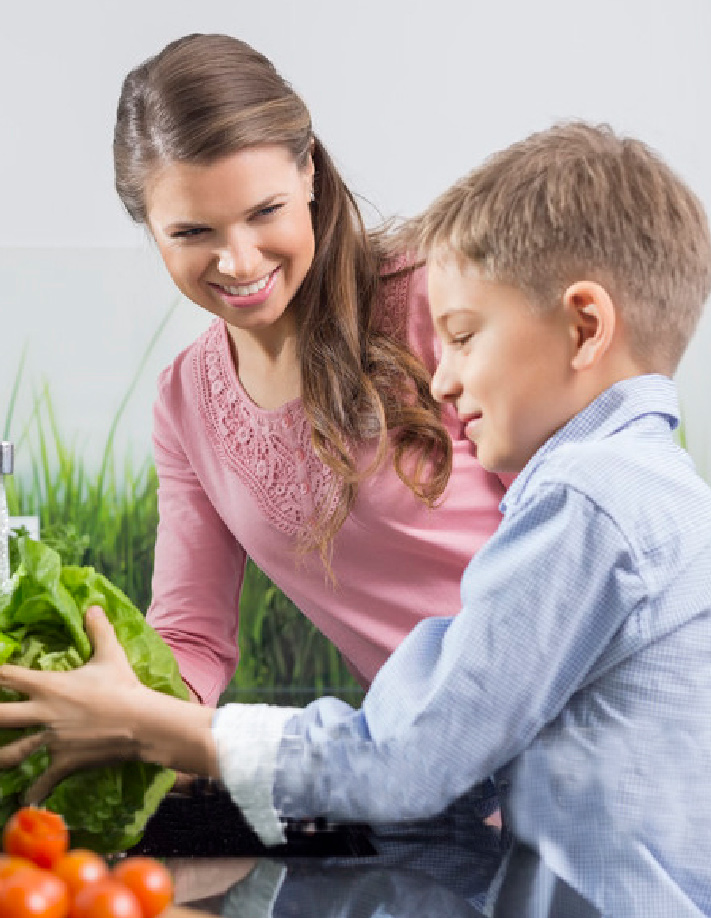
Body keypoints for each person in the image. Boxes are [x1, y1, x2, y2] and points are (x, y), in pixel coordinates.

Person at [0, 121, 711, 918]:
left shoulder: (588, 503)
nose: (443, 381)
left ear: (585, 326)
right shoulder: (635, 487)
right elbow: (444, 747)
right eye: (192, 229)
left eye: (460, 337)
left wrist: (158, 730)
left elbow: (407, 756)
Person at [106, 32, 507, 710]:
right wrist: (112, 709)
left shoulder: (433, 303)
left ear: (310, 175)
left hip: (576, 761)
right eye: (191, 233)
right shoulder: (184, 401)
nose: (238, 261)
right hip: (428, 784)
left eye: (265, 212)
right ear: (150, 228)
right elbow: (190, 639)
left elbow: (577, 529)